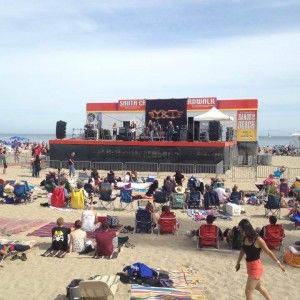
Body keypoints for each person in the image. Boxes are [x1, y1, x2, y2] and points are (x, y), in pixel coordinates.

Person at [235, 219, 285, 300]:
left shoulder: (258, 240)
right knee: (259, 287)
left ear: (246, 229)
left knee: (248, 292)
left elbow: (269, 252)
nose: (240, 232)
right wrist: (238, 262)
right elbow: (242, 250)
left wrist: (278, 263)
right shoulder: (245, 238)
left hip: (256, 267)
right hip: (249, 266)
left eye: (241, 230)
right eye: (239, 229)